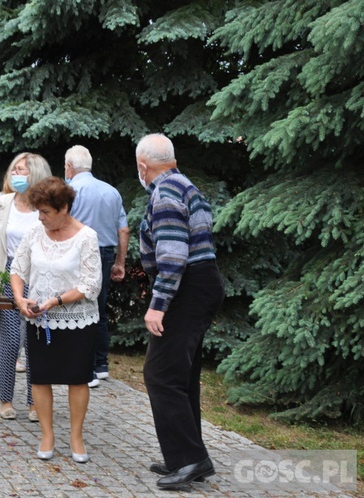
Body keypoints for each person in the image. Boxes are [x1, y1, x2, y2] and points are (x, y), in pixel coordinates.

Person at [136, 133, 224, 488]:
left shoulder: (166, 192)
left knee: (160, 375)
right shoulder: (185, 185)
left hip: (186, 286)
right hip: (200, 284)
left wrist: (158, 306)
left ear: (143, 166)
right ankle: (185, 456)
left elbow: (172, 256)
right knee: (181, 377)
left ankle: (190, 460)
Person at [10, 177, 101, 464]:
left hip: (77, 320)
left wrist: (57, 300)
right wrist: (19, 299)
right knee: (41, 377)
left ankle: (76, 436)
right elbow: (18, 268)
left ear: (63, 208)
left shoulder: (87, 237)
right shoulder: (36, 231)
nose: (41, 217)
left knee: (77, 379)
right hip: (40, 320)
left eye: (46, 212)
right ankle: (47, 435)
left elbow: (91, 284)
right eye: (38, 211)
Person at [0, 153, 51, 421]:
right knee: (11, 339)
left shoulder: (46, 207)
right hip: (8, 272)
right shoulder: (2, 203)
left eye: (22, 170)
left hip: (38, 275)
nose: (16, 174)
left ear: (35, 174)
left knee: (35, 340)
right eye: (13, 169)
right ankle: (5, 399)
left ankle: (34, 403)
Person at [64, 145, 130, 388]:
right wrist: (120, 263)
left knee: (80, 307)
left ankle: (86, 369)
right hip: (105, 253)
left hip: (78, 253)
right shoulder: (112, 192)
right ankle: (101, 365)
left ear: (69, 167)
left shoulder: (70, 190)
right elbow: (123, 229)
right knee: (99, 308)